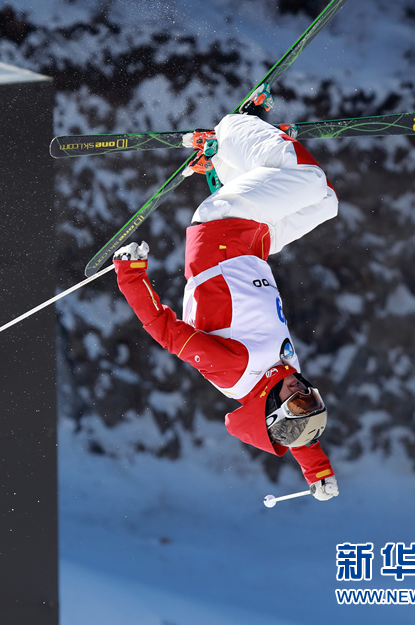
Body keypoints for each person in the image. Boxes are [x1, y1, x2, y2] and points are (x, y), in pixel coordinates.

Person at [113, 94, 340, 501]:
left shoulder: (235, 370)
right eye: (312, 399)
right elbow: (297, 433)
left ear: (271, 404)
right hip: (253, 244)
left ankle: (234, 130)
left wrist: (131, 277)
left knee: (311, 181)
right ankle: (233, 158)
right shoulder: (282, 378)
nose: (304, 391)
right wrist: (317, 470)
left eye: (299, 401)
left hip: (222, 228)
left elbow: (167, 333)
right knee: (326, 204)